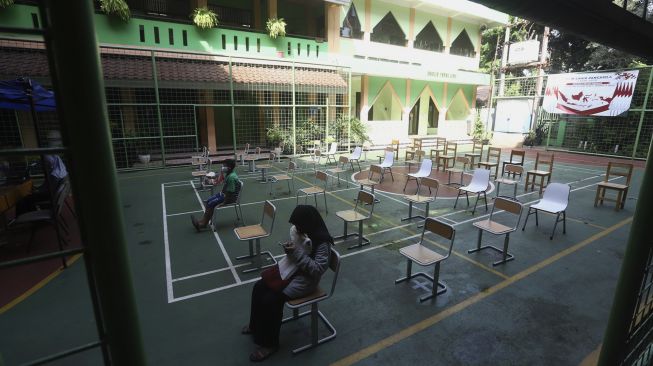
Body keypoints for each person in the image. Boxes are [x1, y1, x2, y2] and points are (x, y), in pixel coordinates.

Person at [243, 205, 333, 362]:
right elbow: (300, 253)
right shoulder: (306, 233)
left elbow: (317, 270)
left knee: (271, 300)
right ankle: (254, 325)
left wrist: (295, 253)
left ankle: (270, 344)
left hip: (306, 281)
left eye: (299, 225)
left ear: (308, 223)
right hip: (293, 271)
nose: (297, 229)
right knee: (259, 287)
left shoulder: (322, 242)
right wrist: (292, 250)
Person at [16, 130, 68, 215]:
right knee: (27, 198)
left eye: (45, 163)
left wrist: (36, 191)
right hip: (50, 196)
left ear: (50, 164)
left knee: (23, 199)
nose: (43, 166)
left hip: (49, 198)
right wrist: (37, 190)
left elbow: (47, 191)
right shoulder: (56, 173)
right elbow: (47, 187)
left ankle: (24, 217)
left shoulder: (54, 176)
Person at [190, 159, 238, 231]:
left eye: (224, 166)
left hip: (228, 197)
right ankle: (203, 221)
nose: (222, 167)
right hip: (223, 194)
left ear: (229, 168)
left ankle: (203, 224)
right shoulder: (229, 173)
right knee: (208, 201)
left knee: (211, 203)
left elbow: (230, 192)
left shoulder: (231, 177)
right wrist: (221, 172)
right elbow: (220, 180)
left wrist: (224, 203)